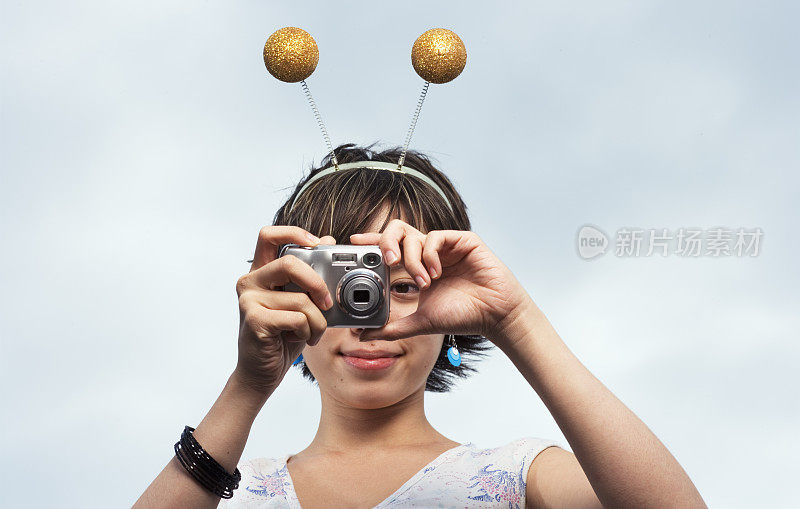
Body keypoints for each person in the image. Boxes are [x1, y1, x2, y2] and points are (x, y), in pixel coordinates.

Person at [134, 143, 706, 508]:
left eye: (401, 286)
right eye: (342, 289)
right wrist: (248, 383)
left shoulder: (518, 477)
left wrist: (515, 320)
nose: (368, 320)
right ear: (287, 298)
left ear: (452, 310)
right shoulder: (233, 492)